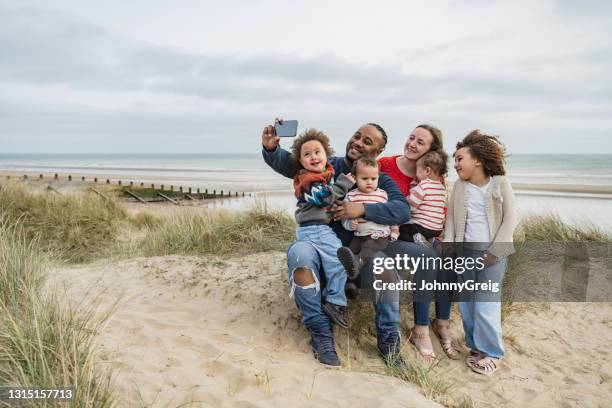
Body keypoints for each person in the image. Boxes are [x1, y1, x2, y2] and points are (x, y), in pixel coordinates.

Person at [261, 120, 410, 367]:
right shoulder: (333, 165)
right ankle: (320, 332)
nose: (358, 142)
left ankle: (389, 341)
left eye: (367, 141)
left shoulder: (377, 178)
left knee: (385, 273)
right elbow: (295, 163)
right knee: (300, 258)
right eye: (357, 136)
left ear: (378, 152)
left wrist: (361, 208)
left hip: (359, 252)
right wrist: (271, 150)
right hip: (316, 241)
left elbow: (401, 210)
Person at [378, 124, 459, 361]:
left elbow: (438, 211)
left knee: (448, 258)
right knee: (428, 257)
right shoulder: (385, 165)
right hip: (390, 237)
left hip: (421, 236)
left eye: (420, 142)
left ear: (430, 151)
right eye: (411, 137)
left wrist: (441, 239)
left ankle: (442, 322)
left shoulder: (433, 176)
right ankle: (420, 329)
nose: (412, 144)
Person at [441, 130, 516, 375]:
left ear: (478, 160)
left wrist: (495, 252)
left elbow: (509, 221)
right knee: (467, 304)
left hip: (492, 254)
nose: (456, 164)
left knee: (485, 303)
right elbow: (451, 220)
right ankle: (476, 347)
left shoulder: (500, 183)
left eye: (460, 158)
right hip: (465, 253)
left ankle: (492, 353)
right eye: (455, 159)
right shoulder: (459, 187)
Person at [289, 128, 356, 329]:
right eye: (307, 154)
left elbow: (326, 202)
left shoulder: (324, 176)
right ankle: (335, 302)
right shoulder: (308, 179)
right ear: (301, 162)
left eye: (318, 152)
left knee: (333, 262)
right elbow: (323, 198)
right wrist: (344, 184)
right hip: (315, 229)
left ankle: (332, 295)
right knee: (338, 260)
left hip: (317, 228)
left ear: (327, 155)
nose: (313, 157)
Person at [337, 158, 399, 279]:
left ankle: (359, 262)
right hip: (359, 235)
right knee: (349, 252)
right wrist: (350, 225)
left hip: (379, 236)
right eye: (364, 179)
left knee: (369, 247)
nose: (369, 182)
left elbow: (392, 215)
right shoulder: (351, 196)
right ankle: (349, 282)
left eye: (373, 178)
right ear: (355, 178)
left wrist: (395, 231)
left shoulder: (383, 195)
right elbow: (344, 217)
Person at [398, 150, 448, 245]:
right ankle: (429, 239)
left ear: (427, 171)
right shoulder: (441, 188)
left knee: (400, 230)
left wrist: (406, 198)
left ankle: (417, 238)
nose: (415, 173)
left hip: (421, 226)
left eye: (417, 169)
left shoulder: (423, 186)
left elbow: (411, 206)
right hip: (437, 229)